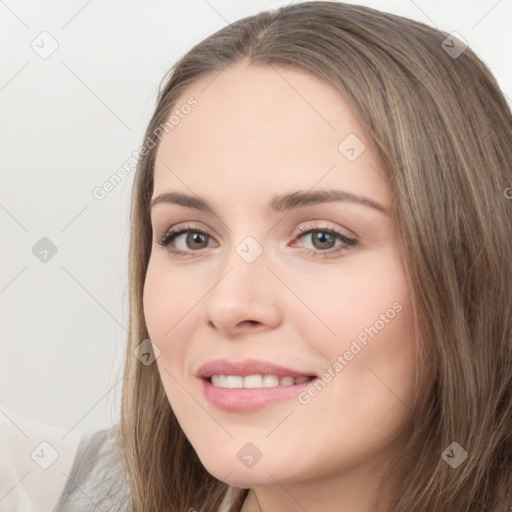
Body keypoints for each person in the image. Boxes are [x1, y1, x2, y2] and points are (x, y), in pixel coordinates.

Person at [7, 2, 512, 511]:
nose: (229, 304)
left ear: (473, 263)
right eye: (192, 238)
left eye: (322, 238)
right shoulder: (55, 488)